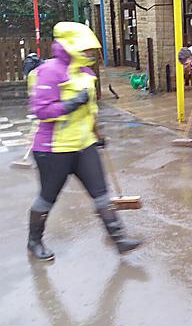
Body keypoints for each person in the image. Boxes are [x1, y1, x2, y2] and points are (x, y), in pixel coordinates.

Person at [26, 22, 142, 261]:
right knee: (47, 197)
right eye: (86, 50)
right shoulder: (50, 71)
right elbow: (41, 109)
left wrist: (96, 135)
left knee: (100, 193)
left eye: (92, 50)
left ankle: (119, 239)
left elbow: (90, 111)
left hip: (84, 144)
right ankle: (34, 241)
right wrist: (70, 104)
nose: (90, 54)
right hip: (54, 149)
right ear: (70, 47)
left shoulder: (86, 74)